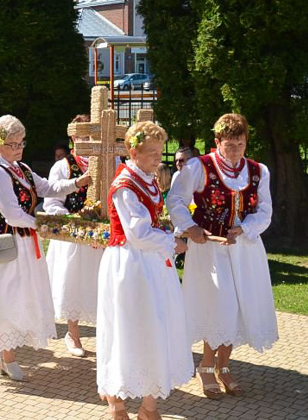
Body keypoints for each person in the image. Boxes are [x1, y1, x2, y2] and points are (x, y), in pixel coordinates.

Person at [0, 115, 89, 381]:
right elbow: (11, 213)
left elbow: (48, 187)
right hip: (2, 242)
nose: (19, 148)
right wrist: (42, 226)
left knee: (17, 296)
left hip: (20, 241)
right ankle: (6, 355)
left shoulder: (19, 168)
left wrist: (78, 182)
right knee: (5, 296)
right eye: (13, 144)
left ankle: (4, 351)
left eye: (21, 142)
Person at [167, 113, 277, 400]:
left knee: (240, 306)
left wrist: (244, 229)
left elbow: (264, 210)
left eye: (240, 144)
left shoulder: (257, 171)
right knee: (219, 304)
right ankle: (205, 366)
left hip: (246, 250)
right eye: (229, 145)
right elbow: (175, 199)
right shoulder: (199, 167)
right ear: (217, 142)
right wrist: (190, 228)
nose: (235, 151)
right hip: (210, 250)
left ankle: (224, 367)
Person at [96, 121, 191, 420]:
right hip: (130, 265)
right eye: (151, 152)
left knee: (155, 328)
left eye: (159, 152)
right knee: (128, 329)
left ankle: (149, 406)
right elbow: (136, 232)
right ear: (133, 152)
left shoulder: (148, 178)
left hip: (151, 264)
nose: (157, 158)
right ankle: (117, 402)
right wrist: (170, 241)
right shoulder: (124, 186)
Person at [45, 114, 100, 358]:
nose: (87, 138)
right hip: (75, 236)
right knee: (74, 283)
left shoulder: (108, 160)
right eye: (81, 134)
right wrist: (73, 219)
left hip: (101, 234)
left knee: (101, 283)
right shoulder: (63, 166)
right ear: (73, 136)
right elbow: (52, 203)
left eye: (90, 133)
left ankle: (107, 334)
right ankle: (73, 333)